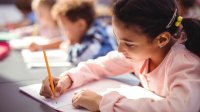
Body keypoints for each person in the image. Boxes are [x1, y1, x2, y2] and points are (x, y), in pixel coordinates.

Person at [40, 0, 200, 111]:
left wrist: (102, 102)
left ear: (162, 39)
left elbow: (178, 109)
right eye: (118, 40)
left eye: (128, 43)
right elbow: (101, 65)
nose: (119, 50)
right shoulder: (142, 52)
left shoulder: (185, 64)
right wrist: (66, 79)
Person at [50, 0, 116, 64]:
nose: (65, 34)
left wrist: (67, 47)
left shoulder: (96, 35)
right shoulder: (90, 32)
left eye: (65, 29)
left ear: (81, 25)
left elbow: (81, 57)